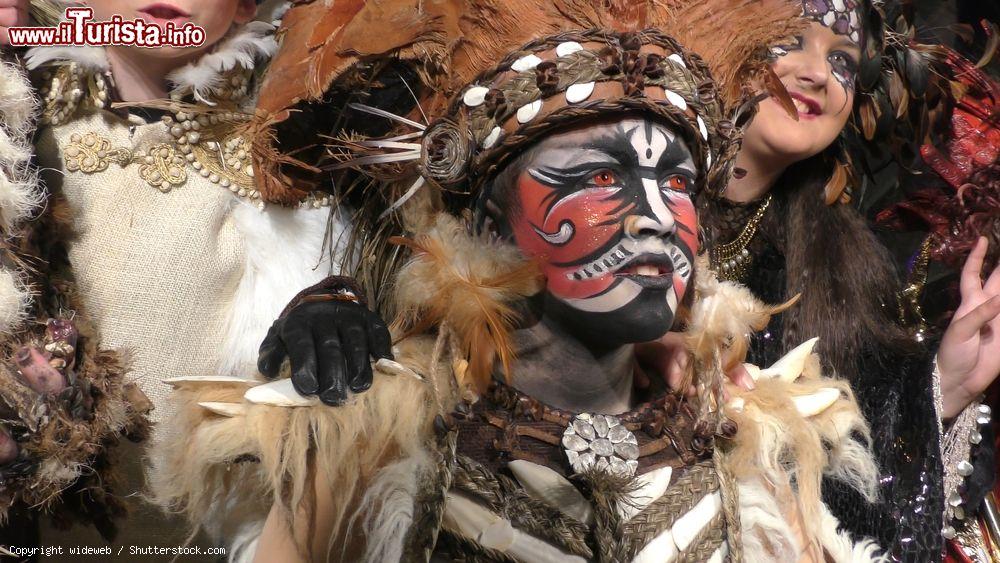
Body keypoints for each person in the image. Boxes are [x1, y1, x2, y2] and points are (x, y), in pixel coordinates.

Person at [150, 1, 894, 561]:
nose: (653, 218)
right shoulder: (367, 441)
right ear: (492, 219)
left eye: (674, 183)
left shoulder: (752, 445)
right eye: (601, 176)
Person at [0, 0, 392, 557]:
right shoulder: (18, 133)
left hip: (223, 531)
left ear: (243, 7)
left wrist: (335, 294)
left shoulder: (298, 150)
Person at [642, 0, 1000, 559]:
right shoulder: (617, 205)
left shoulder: (845, 268)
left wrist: (948, 383)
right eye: (789, 40)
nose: (816, 74)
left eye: (843, 62)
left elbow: (856, 492)